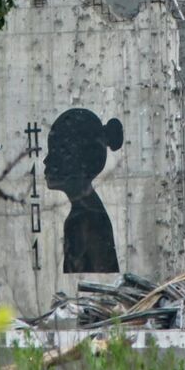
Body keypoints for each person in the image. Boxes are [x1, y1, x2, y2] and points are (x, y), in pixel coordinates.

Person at [43, 108, 124, 273]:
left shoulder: (84, 220)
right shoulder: (86, 214)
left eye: (54, 152)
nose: (45, 161)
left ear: (75, 161)